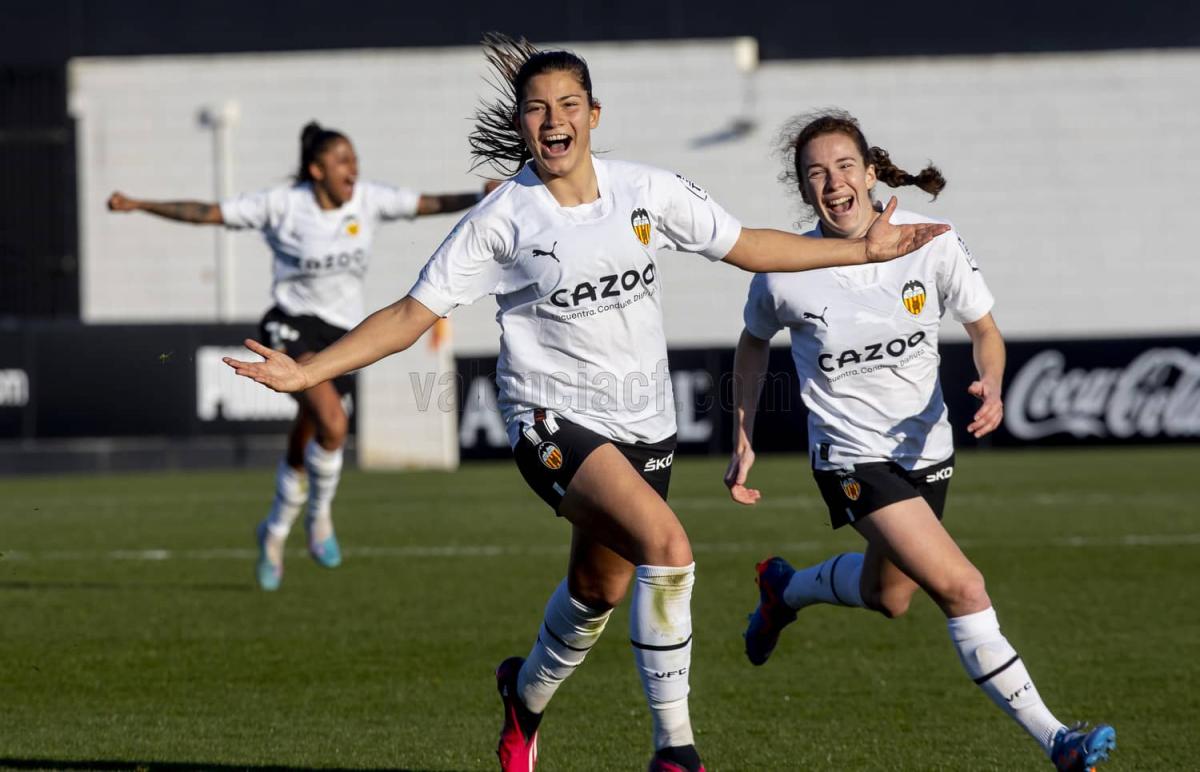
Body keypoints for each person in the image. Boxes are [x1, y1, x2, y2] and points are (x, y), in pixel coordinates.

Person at [223, 36, 947, 771]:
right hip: (547, 419)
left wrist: (864, 252)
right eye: (536, 108)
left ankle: (523, 700)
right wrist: (308, 371)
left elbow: (750, 247)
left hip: (643, 428)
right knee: (670, 549)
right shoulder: (502, 218)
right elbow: (412, 313)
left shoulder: (647, 191)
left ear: (594, 114)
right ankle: (675, 750)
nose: (553, 118)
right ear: (521, 126)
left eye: (568, 103)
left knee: (596, 591)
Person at [725, 109, 1117, 772]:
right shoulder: (786, 271)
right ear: (804, 191)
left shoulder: (930, 242)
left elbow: (985, 331)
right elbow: (753, 341)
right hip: (850, 458)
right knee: (962, 586)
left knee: (891, 597)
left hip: (926, 452)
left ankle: (784, 591)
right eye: (815, 173)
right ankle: (1059, 740)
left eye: (845, 166)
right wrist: (742, 431)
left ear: (871, 172)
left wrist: (992, 384)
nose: (833, 182)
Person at [107, 121, 494, 591]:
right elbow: (206, 212)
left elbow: (429, 203)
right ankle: (320, 519)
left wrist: (482, 196)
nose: (353, 167)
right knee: (333, 423)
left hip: (342, 334)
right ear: (316, 170)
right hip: (290, 324)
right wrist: (141, 204)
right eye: (342, 160)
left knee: (308, 433)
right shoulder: (282, 205)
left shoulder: (368, 200)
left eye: (354, 158)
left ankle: (272, 532)